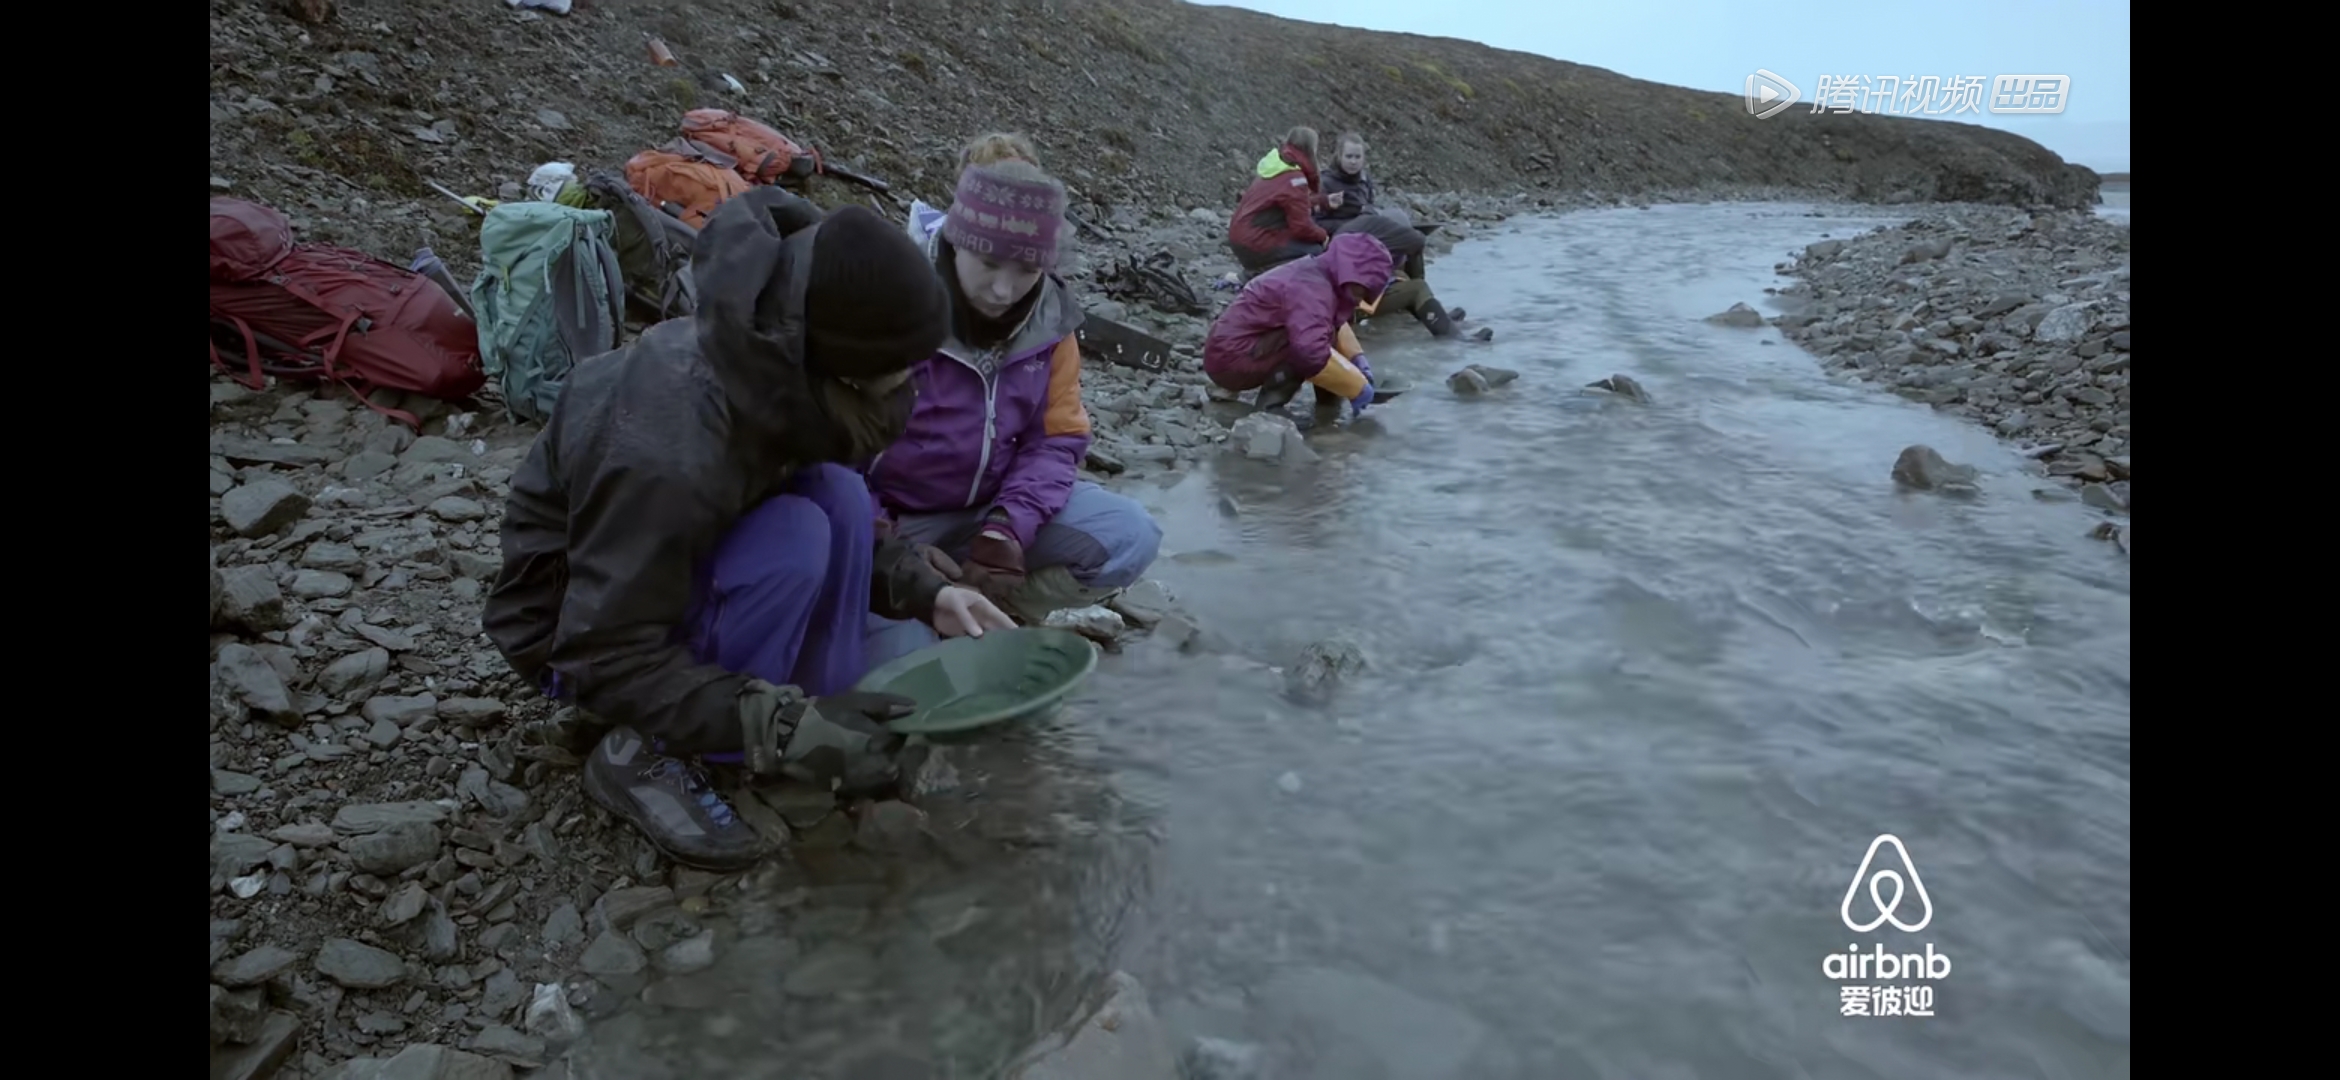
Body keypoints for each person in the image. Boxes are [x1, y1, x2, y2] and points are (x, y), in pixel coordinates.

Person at [483, 188, 1019, 872]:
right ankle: (645, 750)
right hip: (579, 645)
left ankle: (800, 710)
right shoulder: (670, 445)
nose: (909, 393)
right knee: (795, 539)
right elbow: (602, 652)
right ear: (841, 368)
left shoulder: (776, 360)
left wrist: (926, 592)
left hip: (678, 580)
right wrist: (781, 728)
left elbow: (806, 498)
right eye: (896, 376)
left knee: (838, 496)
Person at [868, 133, 1164, 633]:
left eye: (1027, 269)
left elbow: (1055, 440)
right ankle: (928, 609)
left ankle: (995, 611)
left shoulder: (1050, 324)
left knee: (1131, 535)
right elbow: (832, 462)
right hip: (895, 521)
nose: (1003, 290)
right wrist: (895, 552)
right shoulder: (891, 308)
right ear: (958, 239)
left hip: (992, 505)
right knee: (901, 663)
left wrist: (1008, 528)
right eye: (987, 264)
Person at [1316, 132, 1491, 342]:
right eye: (1349, 157)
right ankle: (1443, 327)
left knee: (1410, 253)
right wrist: (1350, 225)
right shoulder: (1326, 182)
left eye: (1357, 157)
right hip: (1346, 248)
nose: (1353, 162)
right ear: (1338, 156)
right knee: (1413, 249)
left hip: (1368, 239)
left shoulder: (1364, 180)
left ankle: (1425, 310)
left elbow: (1370, 208)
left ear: (1364, 159)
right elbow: (1317, 222)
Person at [1202, 230, 1395, 417]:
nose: (1361, 297)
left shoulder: (1320, 271)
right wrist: (1356, 387)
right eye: (1362, 290)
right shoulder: (1312, 288)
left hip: (1236, 348)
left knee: (1322, 334)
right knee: (1308, 348)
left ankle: (1327, 408)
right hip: (1230, 361)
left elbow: (1335, 324)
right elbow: (1310, 351)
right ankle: (1270, 409)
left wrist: (1357, 359)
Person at [1227, 126, 1332, 277]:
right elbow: (1301, 227)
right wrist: (1324, 236)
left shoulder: (1277, 166)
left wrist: (1322, 201)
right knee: (1315, 252)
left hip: (1240, 238)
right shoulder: (1295, 178)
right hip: (1254, 243)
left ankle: (1256, 272)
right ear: (1311, 150)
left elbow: (1286, 203)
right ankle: (1261, 277)